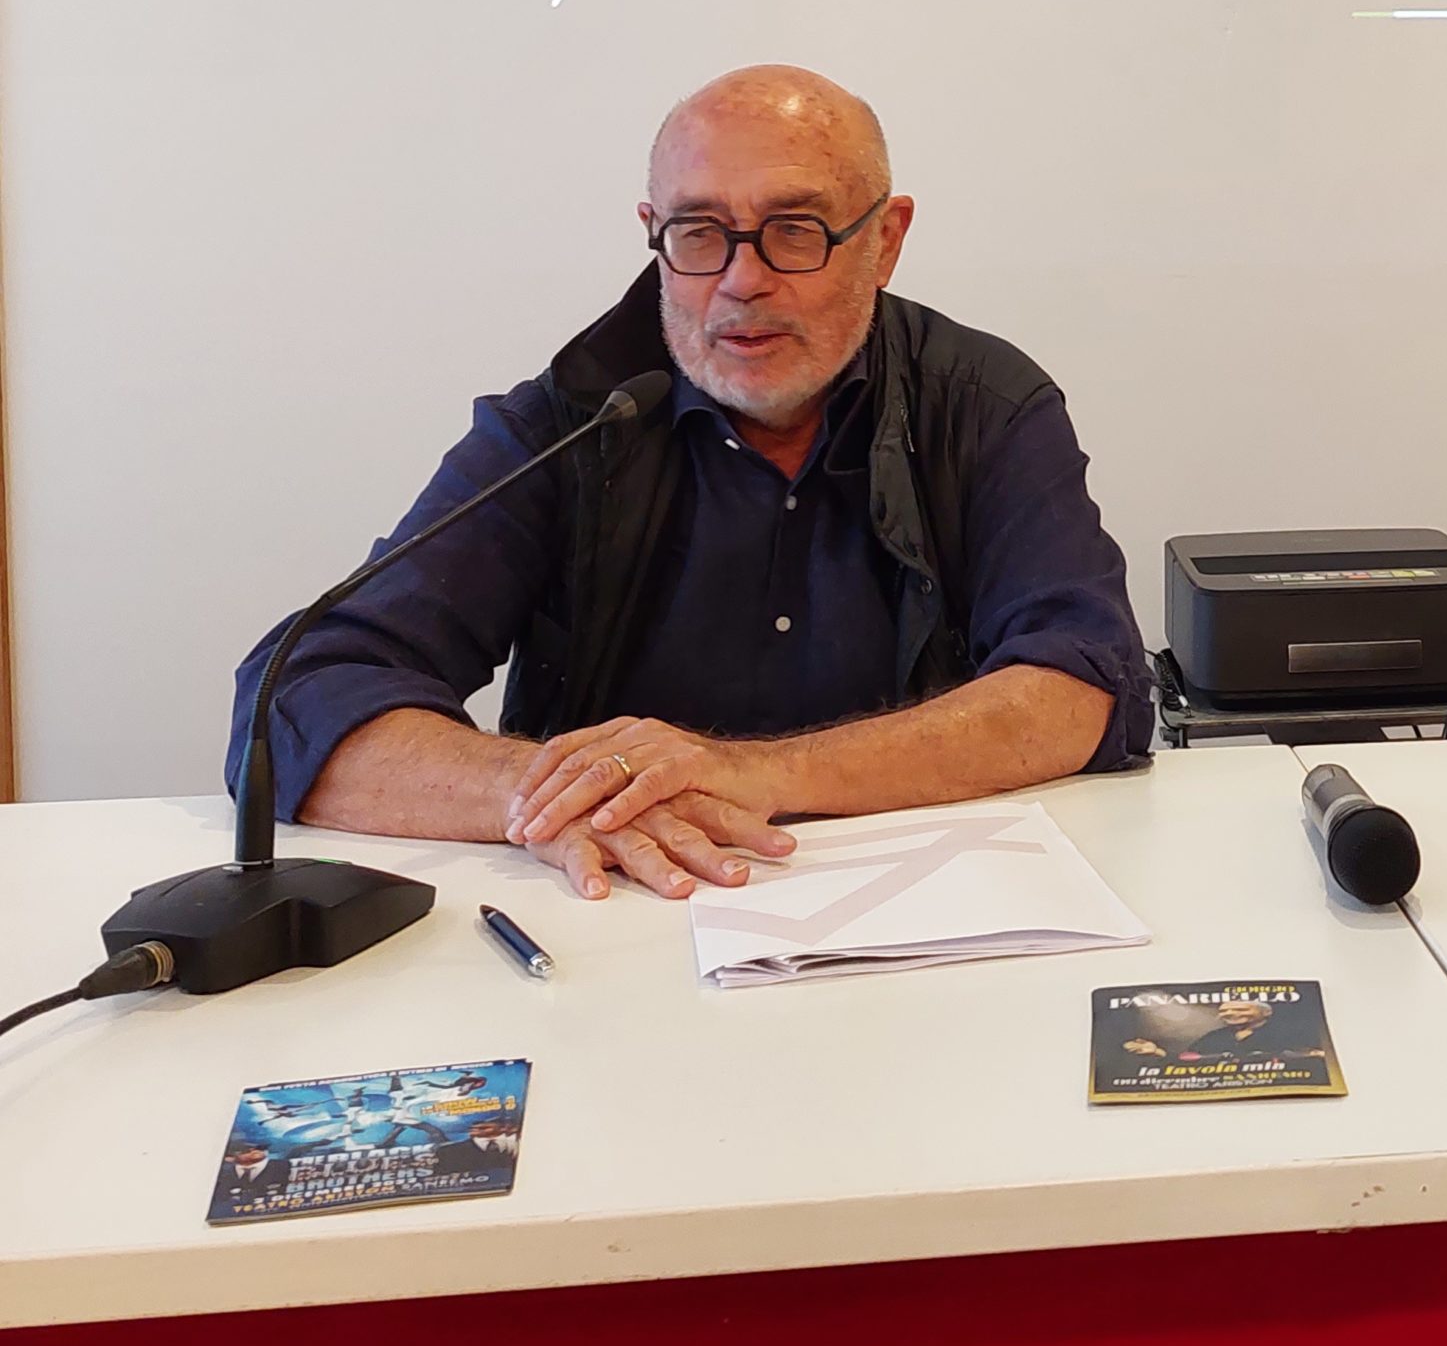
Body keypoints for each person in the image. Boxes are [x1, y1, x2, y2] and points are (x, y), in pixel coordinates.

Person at [229, 65, 1152, 898]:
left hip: (930, 910)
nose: (742, 280)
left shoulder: (983, 405)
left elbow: (1083, 684)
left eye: (794, 231)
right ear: (654, 234)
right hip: (621, 910)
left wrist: (756, 774)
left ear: (885, 239)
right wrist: (553, 794)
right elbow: (298, 698)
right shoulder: (571, 421)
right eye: (700, 233)